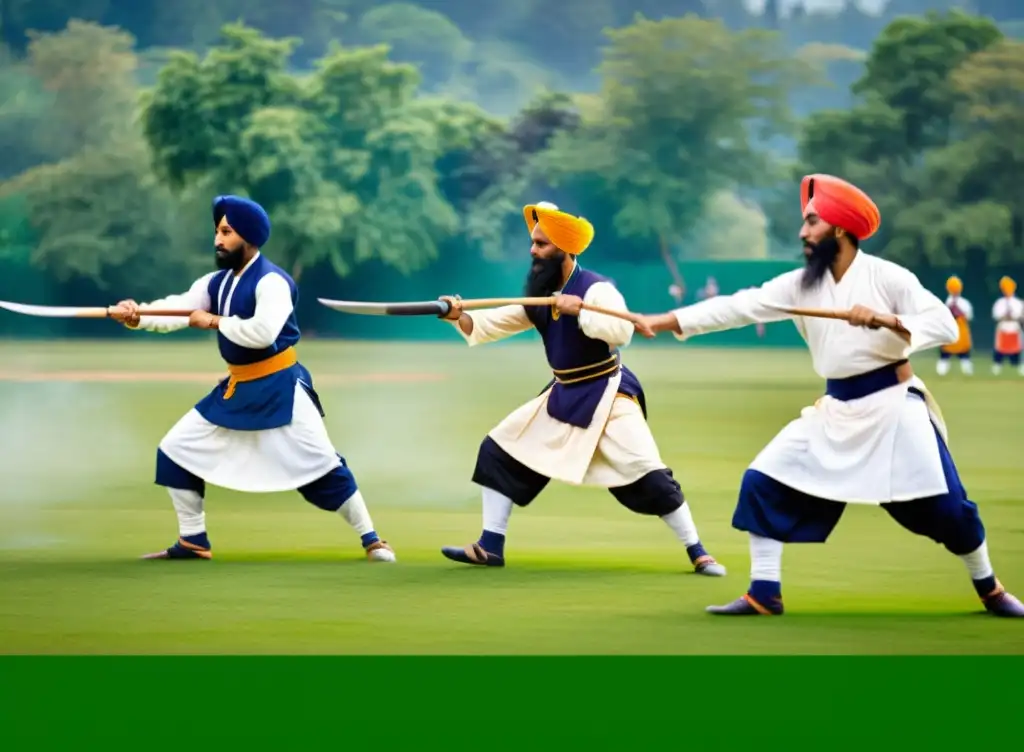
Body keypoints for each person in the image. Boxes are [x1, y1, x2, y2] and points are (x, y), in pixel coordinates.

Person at [631, 174, 1023, 618]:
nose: (802, 232)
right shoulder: (799, 285)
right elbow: (740, 306)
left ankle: (990, 588)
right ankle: (764, 593)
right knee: (763, 481)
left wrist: (887, 319)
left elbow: (945, 325)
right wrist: (666, 320)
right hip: (836, 410)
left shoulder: (889, 277)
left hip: (894, 407)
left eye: (812, 222)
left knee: (947, 509)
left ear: (839, 228)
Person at [435, 202, 725, 576]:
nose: (533, 250)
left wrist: (581, 309)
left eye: (541, 244)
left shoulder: (597, 289)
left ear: (564, 250)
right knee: (498, 449)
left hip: (608, 392)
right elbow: (492, 324)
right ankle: (490, 546)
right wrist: (458, 315)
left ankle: (699, 552)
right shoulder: (539, 293)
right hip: (562, 393)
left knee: (648, 473)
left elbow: (621, 333)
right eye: (533, 243)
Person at [110, 195, 396, 563]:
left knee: (321, 464)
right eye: (217, 231)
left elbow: (262, 333)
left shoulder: (273, 282)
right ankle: (193, 542)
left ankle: (372, 540)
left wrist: (212, 321)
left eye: (226, 232)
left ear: (248, 236)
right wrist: (137, 315)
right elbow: (179, 307)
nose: (217, 239)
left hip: (281, 388)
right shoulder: (215, 282)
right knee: (174, 450)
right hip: (237, 388)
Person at [937, 275, 973, 376]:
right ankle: (941, 373)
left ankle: (968, 373)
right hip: (949, 328)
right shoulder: (947, 302)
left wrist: (959, 312)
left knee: (964, 353)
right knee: (945, 353)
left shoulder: (964, 303)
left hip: (961, 329)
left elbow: (969, 316)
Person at [991, 276, 1023, 376]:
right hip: (1003, 327)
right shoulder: (999, 303)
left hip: (1014, 328)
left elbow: (1020, 316)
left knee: (1016, 349)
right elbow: (996, 315)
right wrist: (1005, 316)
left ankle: (1019, 367)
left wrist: (1014, 317)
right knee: (1000, 349)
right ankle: (997, 367)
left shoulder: (1018, 303)